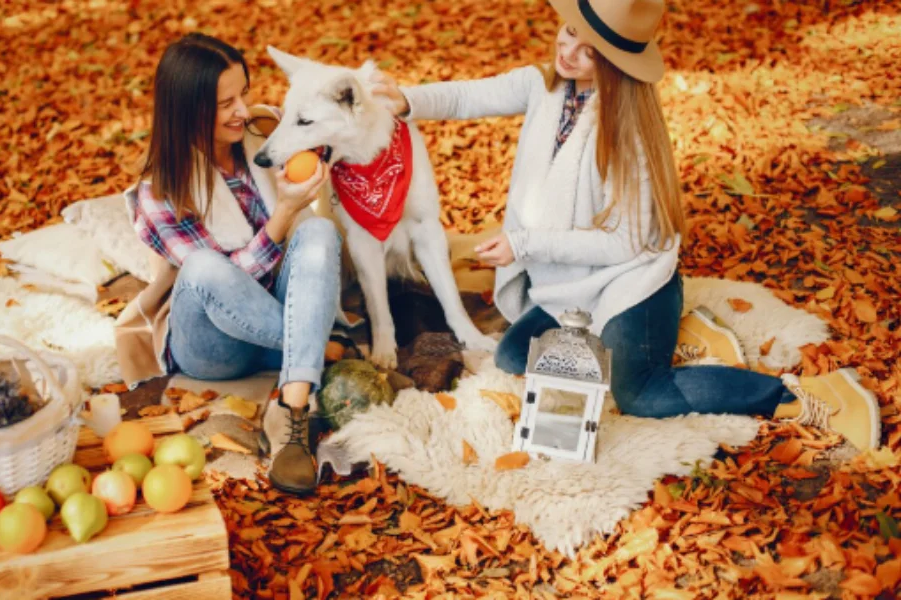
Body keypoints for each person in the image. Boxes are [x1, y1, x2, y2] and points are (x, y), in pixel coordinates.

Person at [372, 0, 881, 450]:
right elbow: (467, 97)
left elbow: (624, 244)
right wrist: (407, 100)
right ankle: (688, 337)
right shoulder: (543, 86)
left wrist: (523, 245)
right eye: (570, 32)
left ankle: (789, 396)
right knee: (511, 358)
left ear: (614, 64)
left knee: (637, 392)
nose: (568, 51)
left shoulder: (627, 134)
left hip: (629, 281)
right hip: (566, 287)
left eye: (588, 50)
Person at [115, 33, 342, 495]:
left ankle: (294, 412)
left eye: (245, 92)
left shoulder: (264, 136)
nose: (243, 110)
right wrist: (283, 213)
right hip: (212, 344)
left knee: (319, 231)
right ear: (188, 111)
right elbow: (225, 284)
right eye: (225, 103)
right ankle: (320, 349)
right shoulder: (161, 189)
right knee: (202, 267)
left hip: (273, 325)